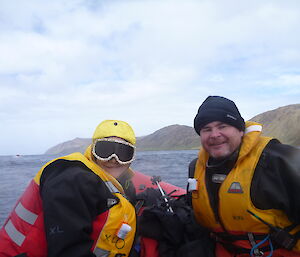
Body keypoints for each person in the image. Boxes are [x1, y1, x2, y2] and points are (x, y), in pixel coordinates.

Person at [0, 120, 138, 257]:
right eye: (105, 150)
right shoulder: (72, 179)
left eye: (123, 153)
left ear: (131, 158)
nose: (113, 159)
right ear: (93, 150)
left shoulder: (118, 183)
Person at [188, 95, 300, 256]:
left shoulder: (279, 162)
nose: (214, 134)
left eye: (222, 126)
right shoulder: (195, 168)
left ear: (240, 130)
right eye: (207, 129)